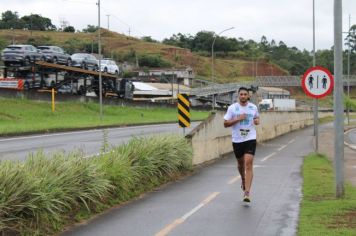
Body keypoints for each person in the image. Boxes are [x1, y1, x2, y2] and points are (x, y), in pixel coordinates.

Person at [223, 87, 260, 202]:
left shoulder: (253, 107)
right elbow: (225, 124)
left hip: (250, 138)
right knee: (240, 164)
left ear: (248, 96)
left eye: (245, 94)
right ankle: (243, 179)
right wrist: (238, 119)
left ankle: (247, 192)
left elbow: (256, 117)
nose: (243, 96)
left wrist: (257, 120)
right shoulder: (232, 108)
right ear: (238, 96)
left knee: (248, 163)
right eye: (241, 94)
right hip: (237, 140)